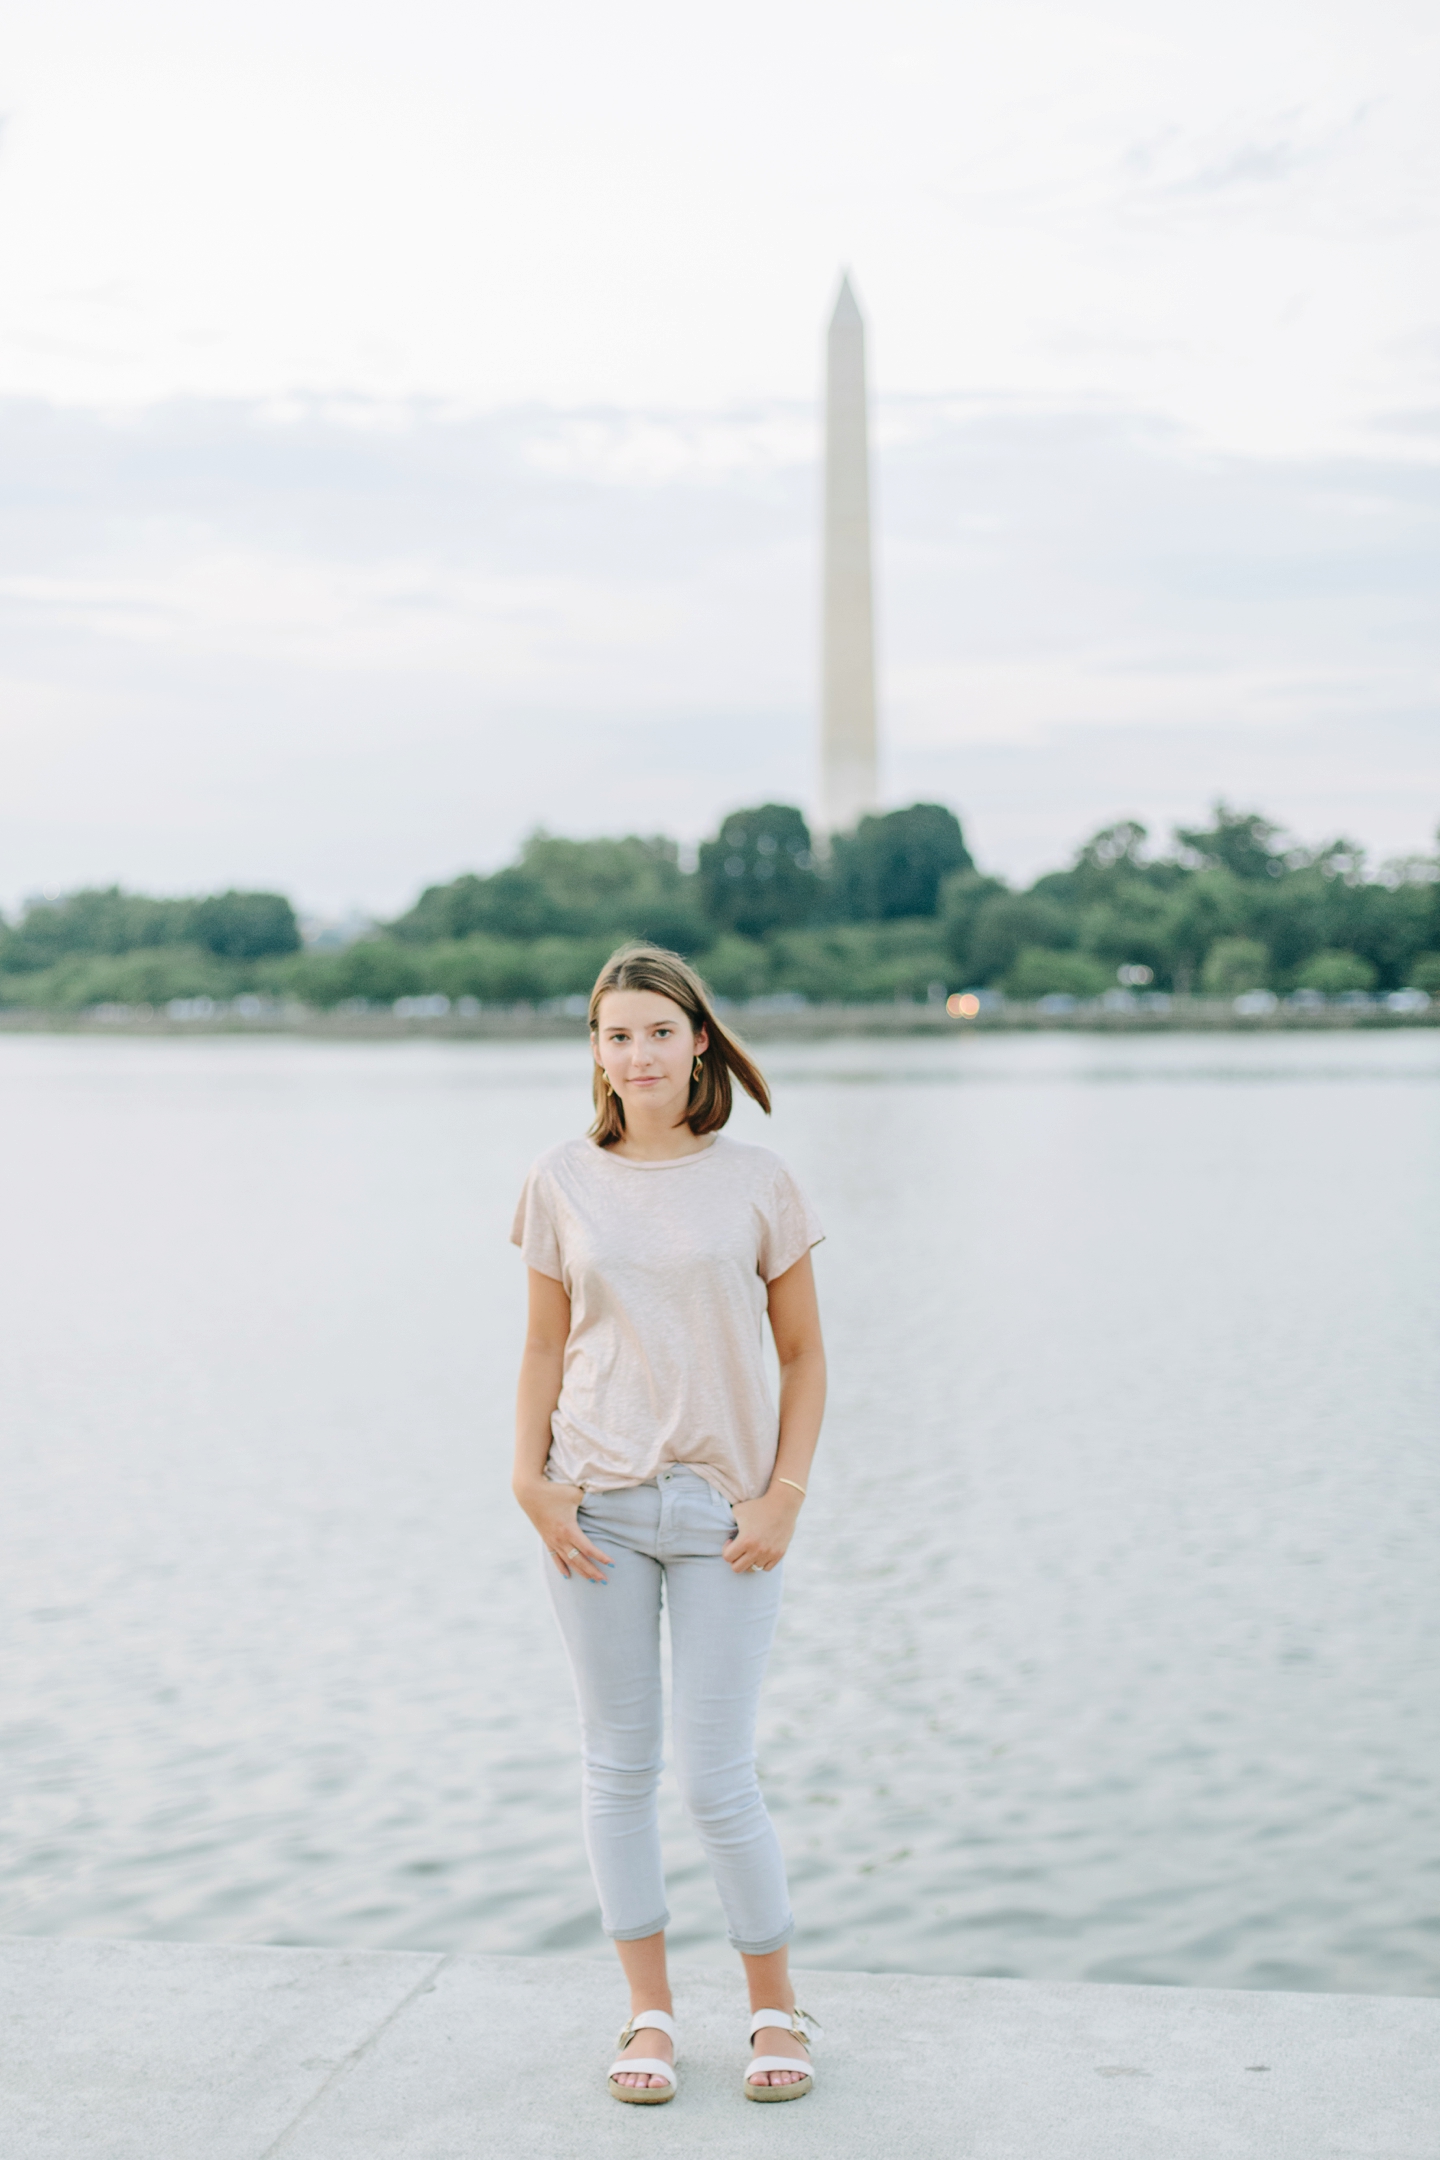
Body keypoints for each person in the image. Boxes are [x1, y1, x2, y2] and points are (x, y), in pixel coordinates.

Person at [511, 943, 827, 2105]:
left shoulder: (758, 1179)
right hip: (591, 1507)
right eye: (614, 1035)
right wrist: (527, 1481)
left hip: (726, 1516)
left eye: (656, 1031)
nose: (635, 1053)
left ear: (699, 1040)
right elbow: (544, 1345)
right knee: (617, 1767)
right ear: (594, 1054)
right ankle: (647, 2014)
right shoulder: (559, 1179)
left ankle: (774, 2009)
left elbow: (801, 1355)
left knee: (716, 1777)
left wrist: (783, 1496)